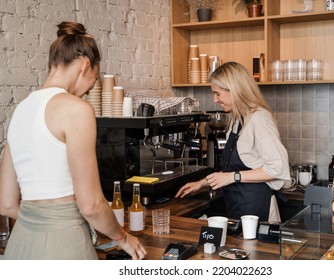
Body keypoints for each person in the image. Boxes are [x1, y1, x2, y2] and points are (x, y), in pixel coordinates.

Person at [0, 22, 146, 260]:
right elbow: (91, 206)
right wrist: (123, 238)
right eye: (94, 80)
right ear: (85, 66)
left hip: (21, 245)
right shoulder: (76, 109)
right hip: (65, 244)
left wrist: (39, 221)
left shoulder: (20, 110)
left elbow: (5, 204)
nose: (88, 90)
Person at [176, 61, 290, 222]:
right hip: (239, 206)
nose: (215, 100)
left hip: (258, 208)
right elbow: (236, 168)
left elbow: (278, 168)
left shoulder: (259, 118)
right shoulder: (238, 119)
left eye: (218, 93)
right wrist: (202, 183)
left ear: (234, 90)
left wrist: (232, 177)